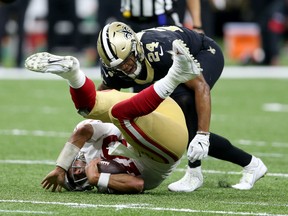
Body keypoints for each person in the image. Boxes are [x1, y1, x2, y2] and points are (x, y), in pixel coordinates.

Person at [96, 21, 268, 191]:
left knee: (186, 105)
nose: (125, 67)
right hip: (164, 70)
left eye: (127, 59)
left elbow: (201, 86)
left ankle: (195, 172)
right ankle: (251, 164)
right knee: (164, 122)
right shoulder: (114, 69)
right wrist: (94, 127)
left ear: (135, 47)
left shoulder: (160, 49)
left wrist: (202, 134)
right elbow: (104, 99)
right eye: (118, 66)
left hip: (203, 52)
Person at [25, 39, 201, 193]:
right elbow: (137, 184)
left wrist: (60, 167)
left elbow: (84, 130)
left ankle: (74, 75)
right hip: (165, 149)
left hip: (164, 109)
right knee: (120, 115)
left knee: (91, 107)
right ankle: (176, 75)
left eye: (72, 173)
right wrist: (96, 179)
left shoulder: (86, 149)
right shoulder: (101, 180)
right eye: (76, 181)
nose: (78, 173)